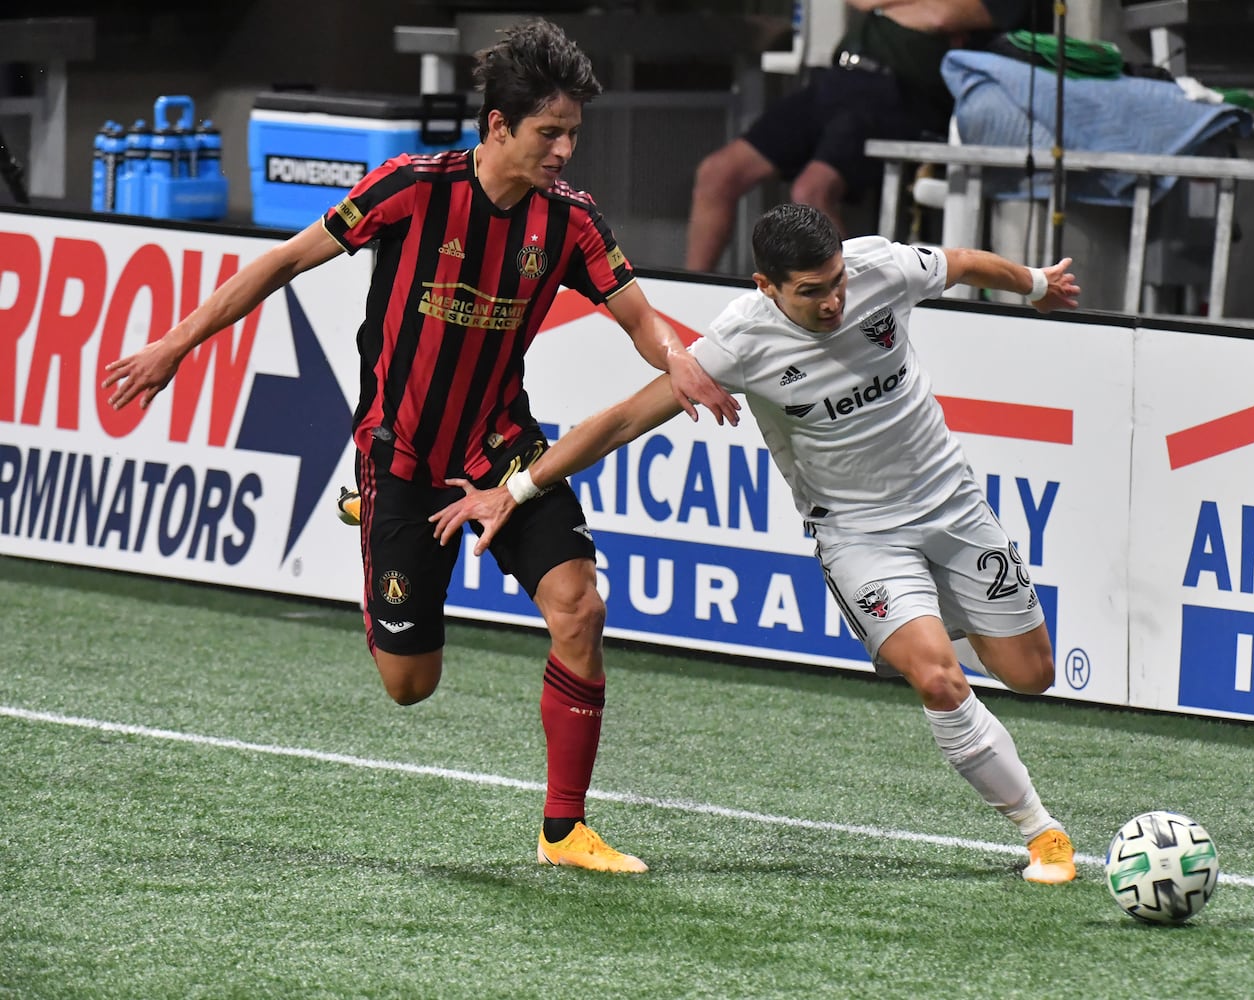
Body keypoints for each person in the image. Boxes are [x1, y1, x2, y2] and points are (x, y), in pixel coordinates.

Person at [101, 19, 738, 875]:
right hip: (400, 456)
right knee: (410, 686)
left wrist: (676, 360)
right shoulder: (411, 187)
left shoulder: (571, 220)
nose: (563, 150)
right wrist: (175, 344)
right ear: (498, 127)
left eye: (573, 134)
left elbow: (637, 316)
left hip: (502, 449)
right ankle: (375, 525)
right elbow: (284, 262)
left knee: (580, 609)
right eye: (550, 132)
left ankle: (563, 832)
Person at [432, 203, 1082, 883]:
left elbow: (965, 264)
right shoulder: (741, 342)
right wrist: (517, 490)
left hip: (954, 505)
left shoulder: (879, 269)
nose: (833, 301)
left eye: (836, 282)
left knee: (1031, 675)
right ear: (766, 285)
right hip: (859, 535)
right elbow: (622, 421)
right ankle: (1043, 835)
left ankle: (939, 624)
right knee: (941, 680)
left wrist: (1036, 285)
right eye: (811, 290)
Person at [685, 0, 1029, 272]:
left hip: (900, 93)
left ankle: (854, 309)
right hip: (836, 80)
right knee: (718, 173)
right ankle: (690, 296)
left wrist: (886, 7)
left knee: (811, 191)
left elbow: (940, 16)